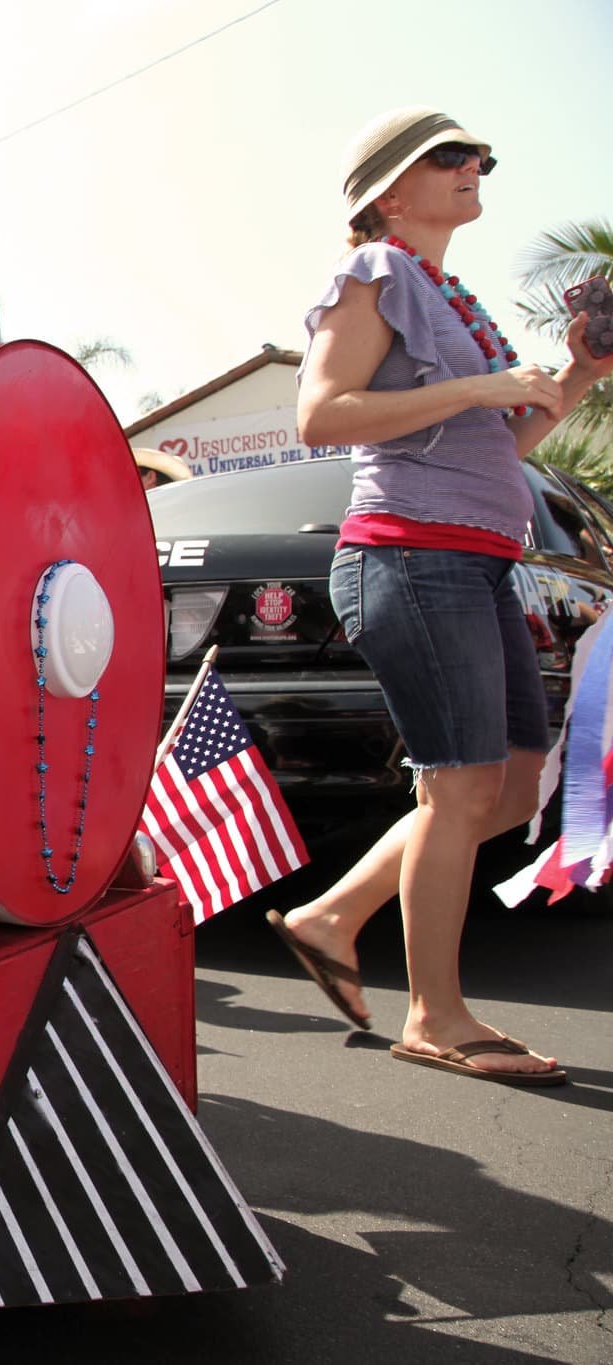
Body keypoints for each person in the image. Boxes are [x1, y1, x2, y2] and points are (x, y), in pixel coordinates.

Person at [274, 107, 613, 1085]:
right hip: (408, 559)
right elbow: (318, 415)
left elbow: (496, 450)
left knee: (508, 788)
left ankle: (329, 916)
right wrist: (477, 388)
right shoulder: (372, 275)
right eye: (448, 158)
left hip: (470, 561)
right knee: (458, 787)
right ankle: (435, 1015)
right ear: (387, 191)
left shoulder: (442, 296)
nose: (474, 168)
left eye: (479, 158)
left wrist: (577, 377)